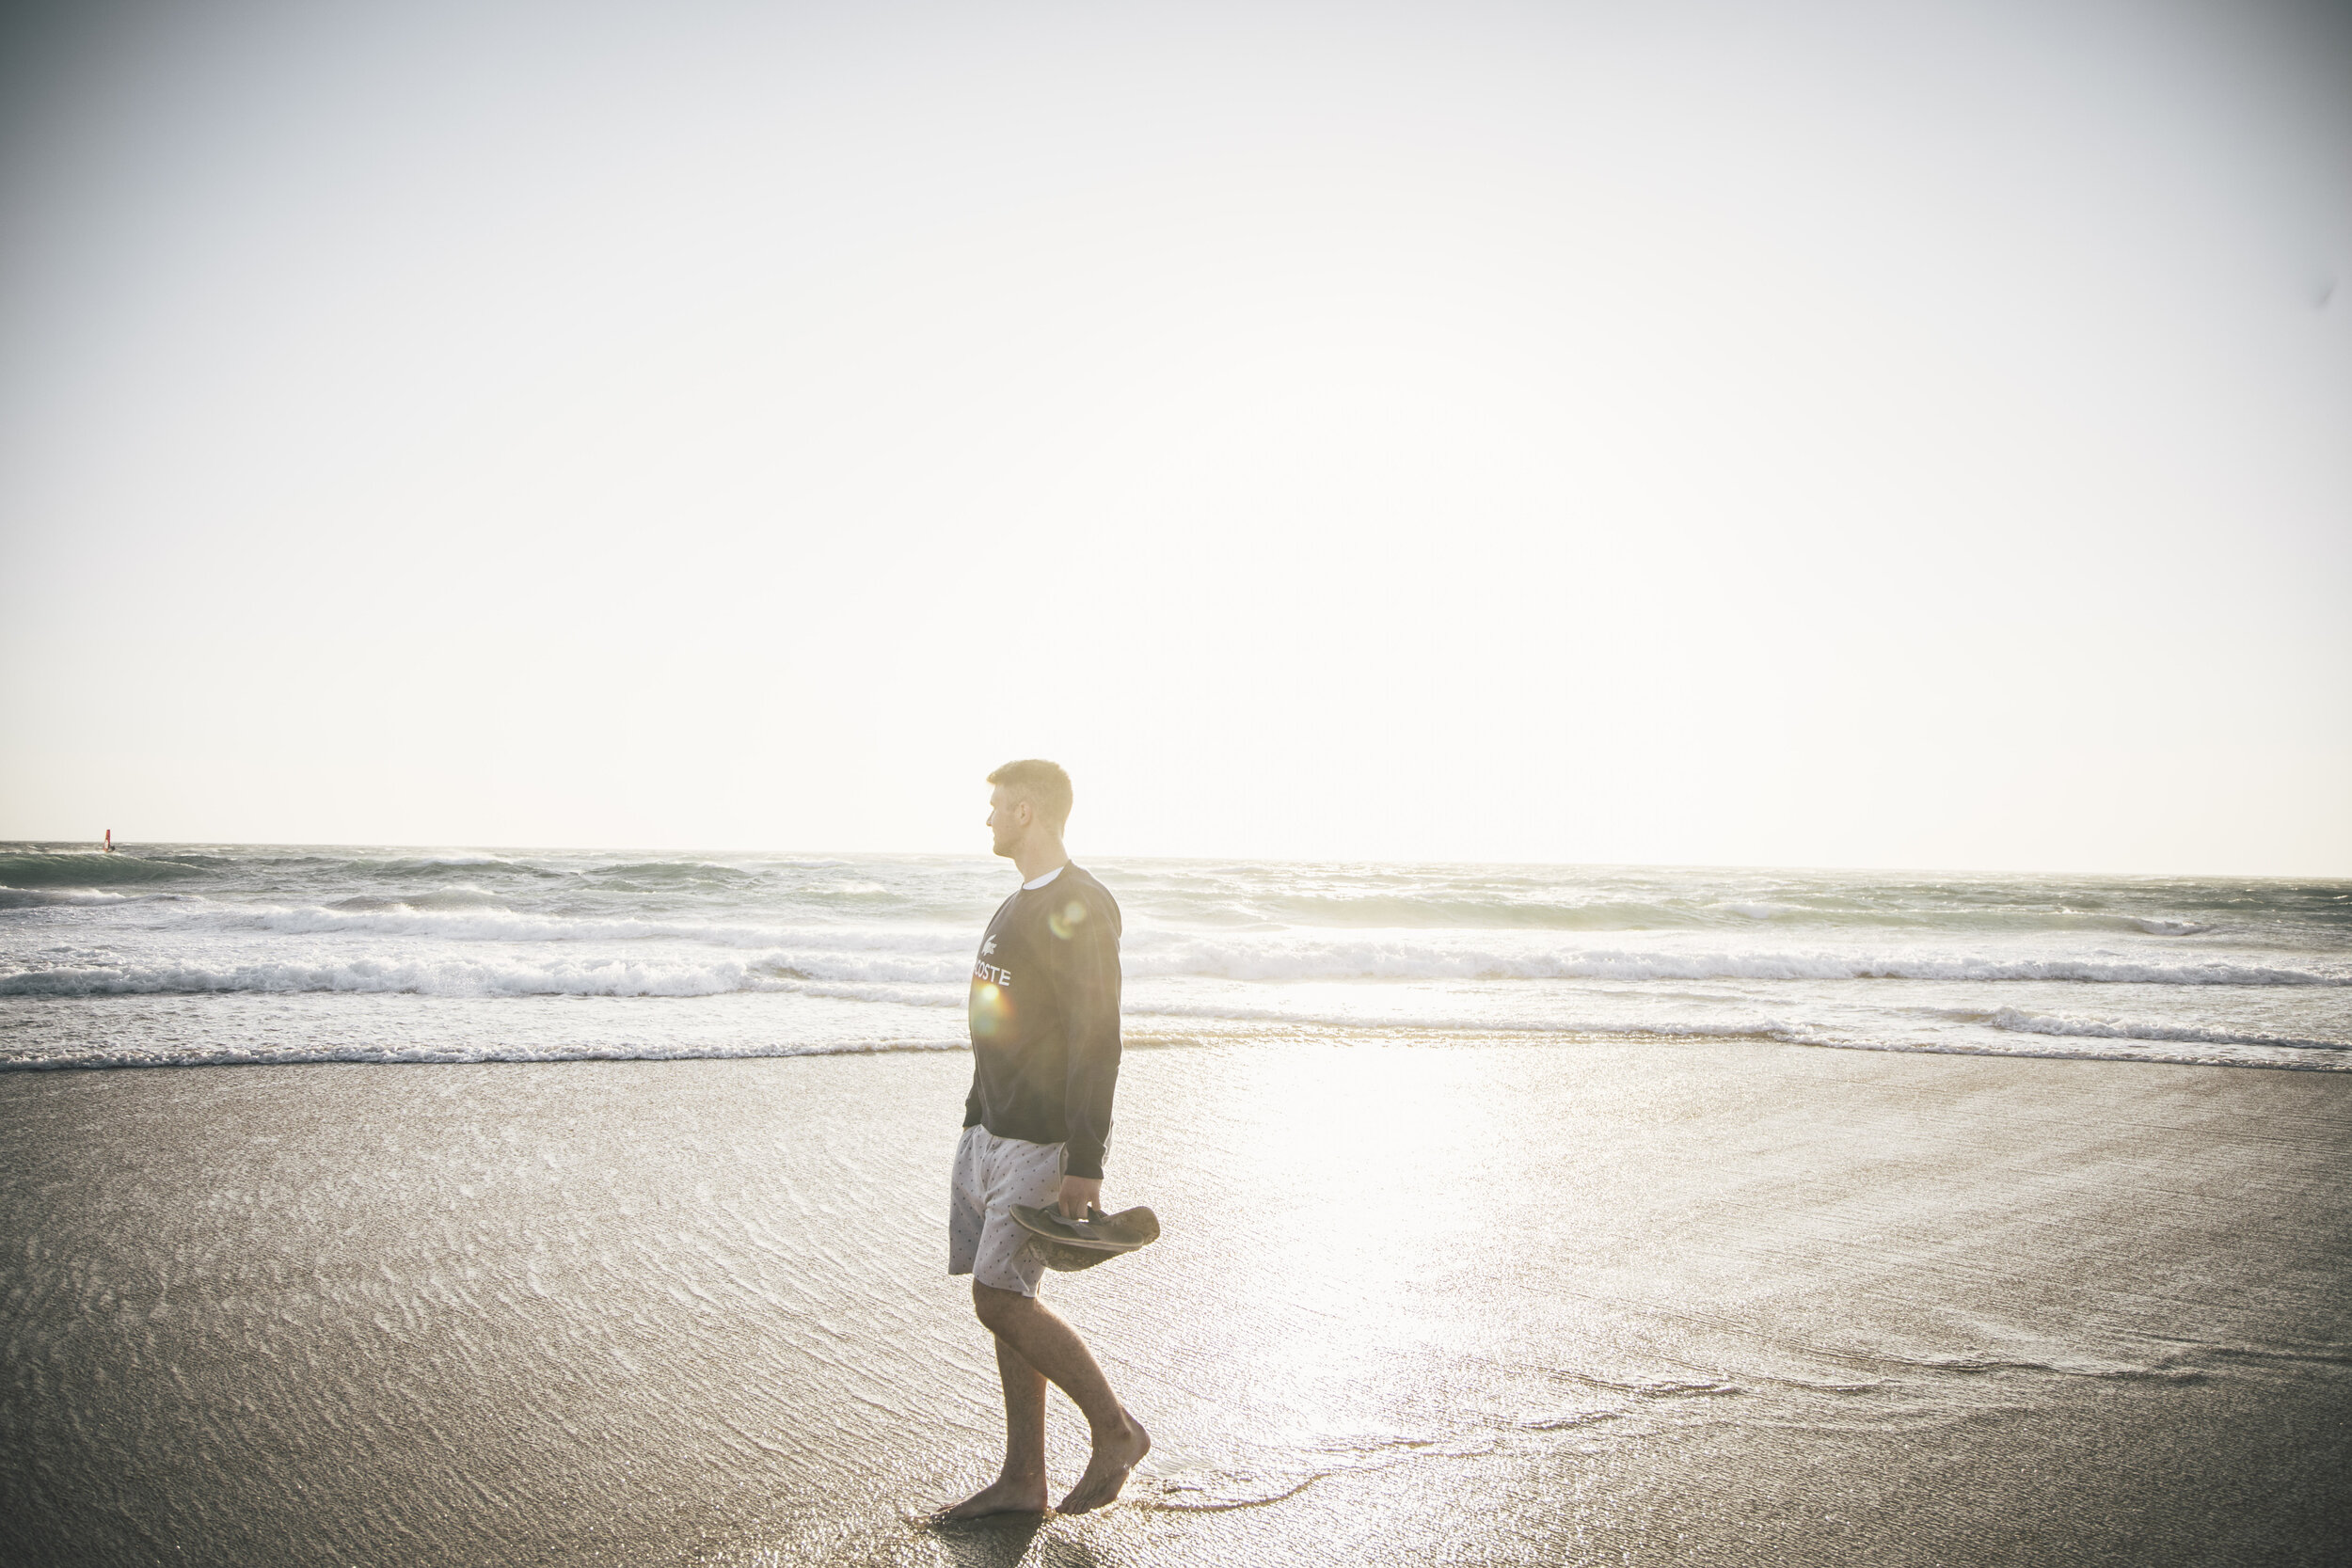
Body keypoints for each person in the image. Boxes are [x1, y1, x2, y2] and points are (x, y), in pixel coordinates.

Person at [937, 759, 1150, 1520]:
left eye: (996, 805)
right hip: (992, 1132)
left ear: (1027, 811)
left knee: (998, 1297)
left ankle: (1115, 1429)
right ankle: (1024, 1479)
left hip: (1040, 1139)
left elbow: (1099, 1039)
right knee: (1008, 1296)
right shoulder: (1014, 904)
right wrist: (973, 1122)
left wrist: (1085, 1162)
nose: (987, 818)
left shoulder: (1081, 905)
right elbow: (995, 1025)